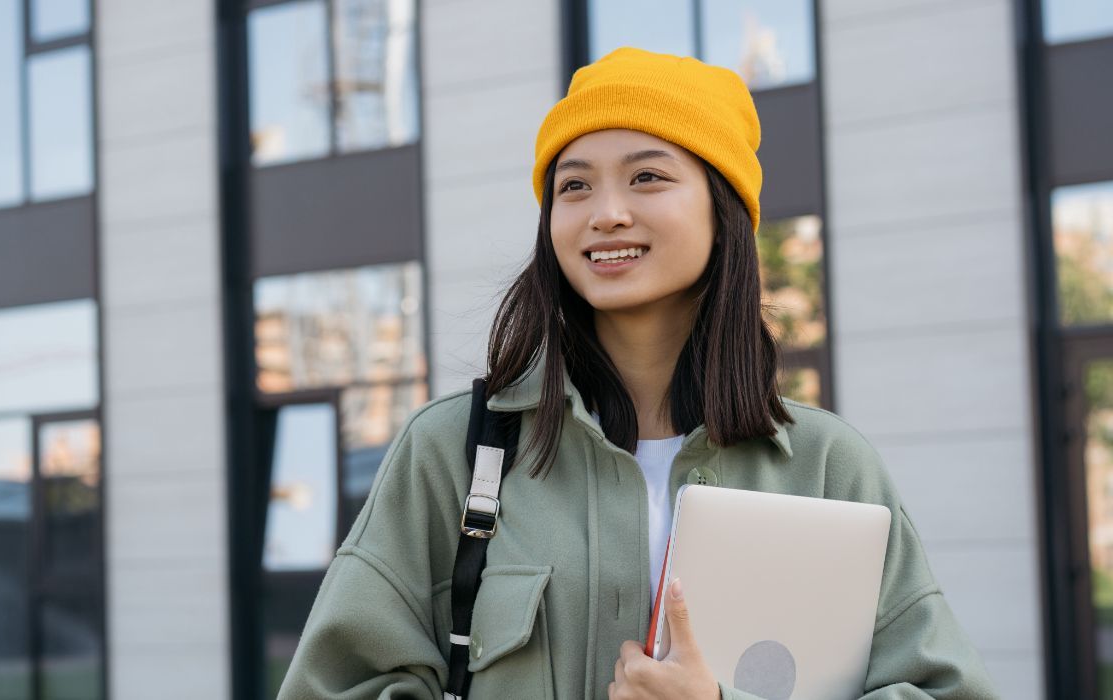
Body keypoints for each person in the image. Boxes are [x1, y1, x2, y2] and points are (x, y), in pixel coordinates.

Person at [276, 46, 1000, 699]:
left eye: (648, 177)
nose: (607, 213)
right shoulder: (456, 453)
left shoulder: (828, 468)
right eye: (575, 187)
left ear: (724, 214)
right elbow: (333, 687)